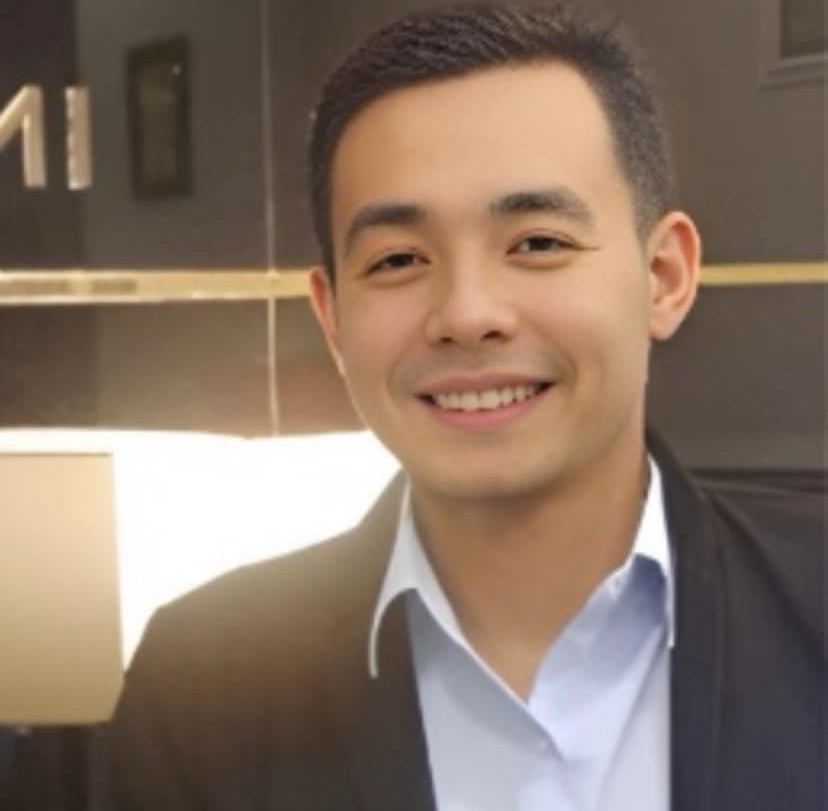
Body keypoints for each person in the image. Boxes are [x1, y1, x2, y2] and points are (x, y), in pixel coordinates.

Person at [107, 3, 824, 810]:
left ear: (663, 276)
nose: (466, 313)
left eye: (538, 242)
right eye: (398, 260)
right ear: (333, 318)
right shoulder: (203, 684)